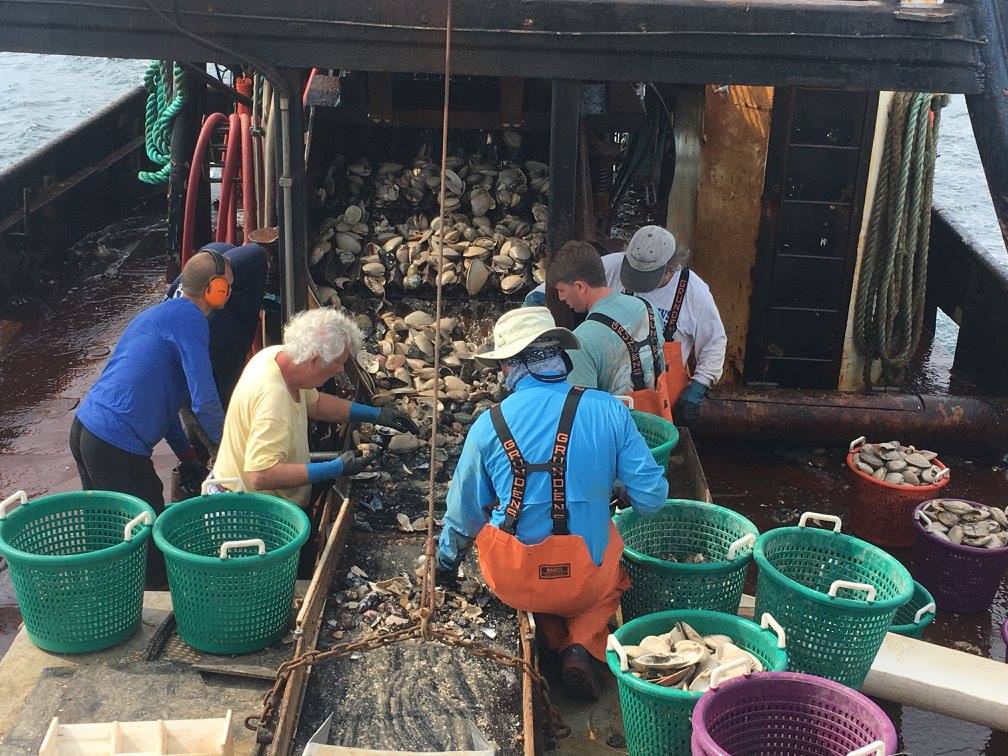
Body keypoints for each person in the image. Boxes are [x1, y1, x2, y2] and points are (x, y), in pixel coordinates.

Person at [436, 307, 668, 699]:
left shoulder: (488, 424)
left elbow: (463, 518)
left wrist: (444, 566)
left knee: (511, 546)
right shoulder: (610, 410)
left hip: (514, 580)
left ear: (513, 365)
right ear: (559, 356)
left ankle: (550, 632)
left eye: (504, 367)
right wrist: (615, 485)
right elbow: (652, 500)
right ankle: (579, 644)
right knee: (614, 577)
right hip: (585, 581)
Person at [70, 249, 231, 587]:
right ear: (213, 289)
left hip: (85, 430)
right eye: (228, 286)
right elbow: (204, 401)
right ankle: (160, 612)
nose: (229, 294)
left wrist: (186, 454)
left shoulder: (157, 314)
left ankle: (101, 596)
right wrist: (229, 448)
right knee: (146, 527)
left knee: (103, 531)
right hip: (114, 444)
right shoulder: (192, 321)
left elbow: (163, 401)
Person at [210, 307, 419, 507]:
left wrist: (375, 414)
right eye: (337, 363)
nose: (339, 370)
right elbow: (260, 475)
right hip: (247, 510)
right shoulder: (273, 400)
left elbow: (316, 403)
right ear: (314, 360)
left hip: (251, 494)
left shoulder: (278, 358)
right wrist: (334, 468)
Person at [526, 226, 727, 424]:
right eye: (634, 273)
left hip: (663, 389)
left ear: (670, 268)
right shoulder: (616, 264)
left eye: (645, 276)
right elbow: (577, 274)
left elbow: (714, 342)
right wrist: (540, 295)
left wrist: (700, 384)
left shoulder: (694, 291)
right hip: (615, 384)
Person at [545, 241, 670, 418]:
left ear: (580, 287)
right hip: (658, 429)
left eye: (561, 290)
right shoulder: (648, 309)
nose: (560, 297)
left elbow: (581, 413)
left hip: (617, 437)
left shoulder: (580, 341)